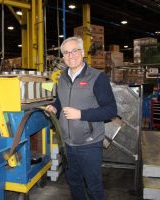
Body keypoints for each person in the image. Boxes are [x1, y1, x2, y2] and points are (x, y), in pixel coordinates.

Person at [46, 36, 117, 200]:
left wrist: (81, 114)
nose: (70, 56)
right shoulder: (61, 78)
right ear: (62, 57)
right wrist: (54, 108)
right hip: (67, 143)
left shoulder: (97, 77)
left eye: (74, 51)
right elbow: (60, 101)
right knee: (74, 183)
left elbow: (111, 110)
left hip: (89, 144)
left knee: (94, 187)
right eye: (66, 53)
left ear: (82, 52)